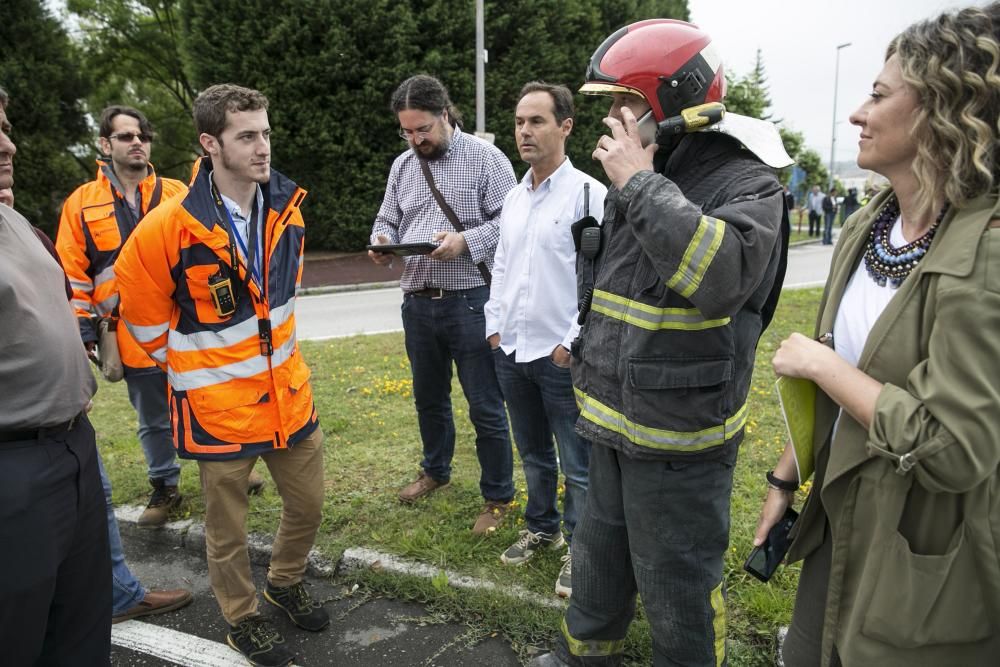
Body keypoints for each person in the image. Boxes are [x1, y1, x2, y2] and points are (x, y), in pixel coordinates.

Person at [532, 19, 789, 667]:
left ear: (672, 100)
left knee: (678, 581)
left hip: (679, 441)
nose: (615, 117)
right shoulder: (647, 168)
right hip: (612, 422)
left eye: (626, 102)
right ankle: (587, 657)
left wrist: (641, 184)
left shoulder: (748, 183)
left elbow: (720, 277)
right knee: (598, 559)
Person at [755, 4, 1000, 665]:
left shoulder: (987, 251)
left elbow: (956, 448)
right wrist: (785, 478)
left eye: (879, 94)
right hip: (837, 522)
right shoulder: (868, 225)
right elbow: (844, 368)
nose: (859, 113)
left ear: (939, 110)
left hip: (919, 554)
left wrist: (822, 368)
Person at [116, 84, 328, 667]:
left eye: (265, 133)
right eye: (247, 136)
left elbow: (279, 306)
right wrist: (191, 370)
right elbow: (140, 312)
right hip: (218, 411)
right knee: (226, 531)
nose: (263, 148)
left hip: (288, 395)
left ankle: (284, 582)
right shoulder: (168, 227)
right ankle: (241, 616)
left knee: (308, 505)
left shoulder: (288, 208)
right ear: (211, 144)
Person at [7, 183, 193, 624]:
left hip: (69, 422)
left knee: (93, 506)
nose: (8, 147)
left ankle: (114, 592)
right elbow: (74, 275)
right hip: (27, 439)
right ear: (106, 144)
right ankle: (163, 488)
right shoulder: (82, 203)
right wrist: (89, 332)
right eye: (124, 135)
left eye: (6, 129)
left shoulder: (21, 229)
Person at [369, 74, 517, 534]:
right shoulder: (402, 165)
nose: (416, 140)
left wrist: (464, 242)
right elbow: (388, 216)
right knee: (428, 398)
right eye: (407, 132)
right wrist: (382, 239)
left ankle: (498, 496)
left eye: (423, 130)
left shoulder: (487, 159)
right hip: (418, 302)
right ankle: (436, 470)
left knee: (484, 404)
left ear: (445, 114)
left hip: (471, 301)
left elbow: (511, 224)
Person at [0, 85, 112, 666]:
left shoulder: (15, 220)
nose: (8, 145)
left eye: (5, 124)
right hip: (13, 473)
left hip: (72, 451)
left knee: (80, 628)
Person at [484, 82, 606, 597]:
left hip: (560, 355)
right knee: (532, 451)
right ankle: (543, 528)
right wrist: (494, 327)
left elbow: (601, 276)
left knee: (577, 462)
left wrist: (571, 342)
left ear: (566, 126)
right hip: (512, 349)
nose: (524, 132)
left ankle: (582, 549)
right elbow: (504, 264)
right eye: (519, 122)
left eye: (536, 121)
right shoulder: (514, 197)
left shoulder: (589, 195)